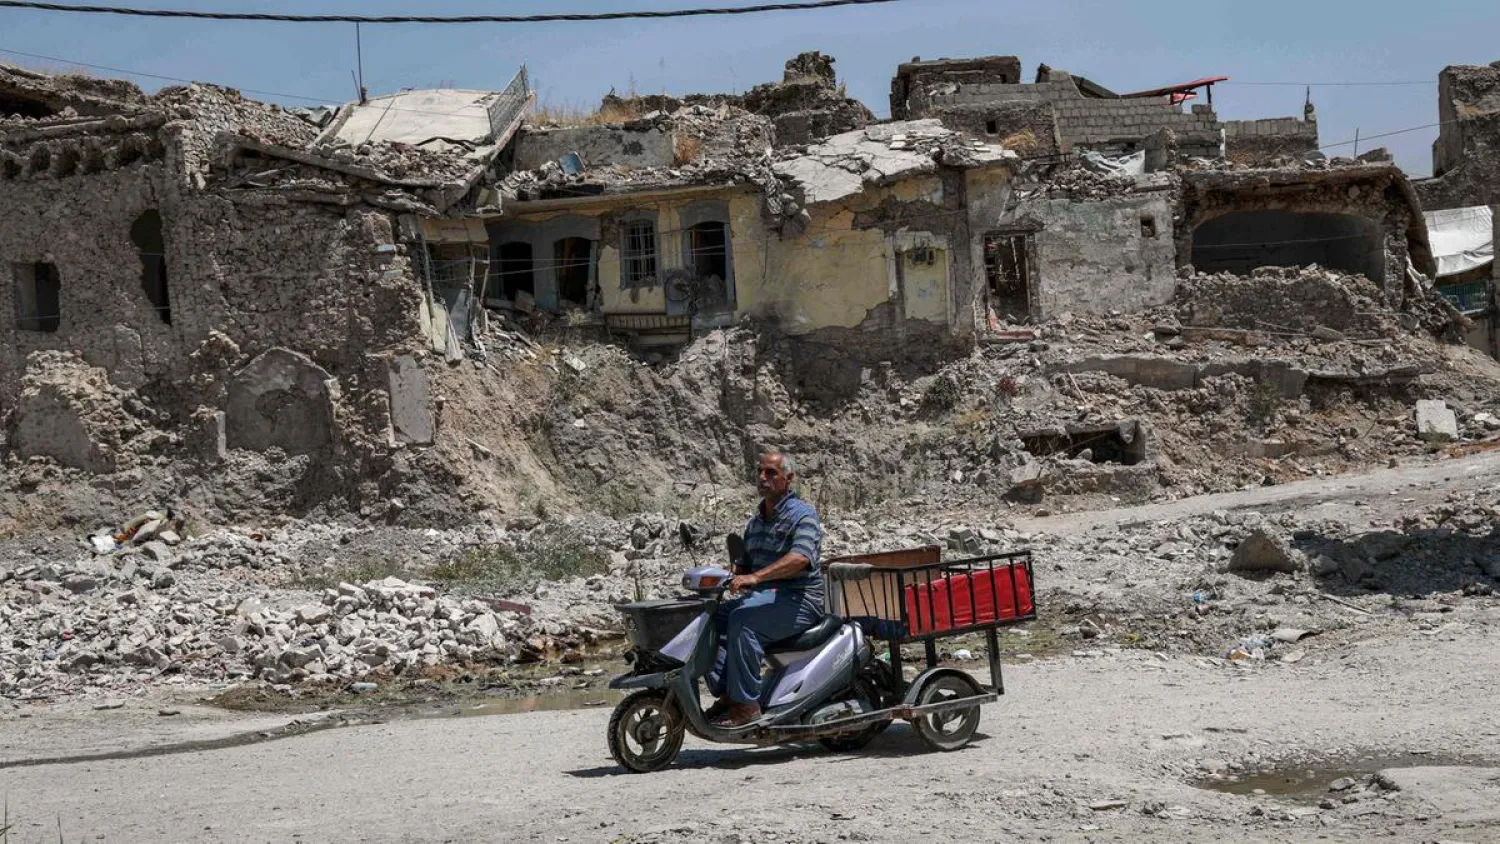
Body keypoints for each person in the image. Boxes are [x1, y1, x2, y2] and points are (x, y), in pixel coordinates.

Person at [706, 450, 824, 728]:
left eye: (771, 473)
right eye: (760, 472)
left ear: (788, 478)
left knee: (743, 622)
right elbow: (744, 565)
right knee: (709, 619)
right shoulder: (756, 521)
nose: (763, 478)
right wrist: (728, 576)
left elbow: (800, 558)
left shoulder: (803, 516)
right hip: (764, 598)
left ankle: (747, 706)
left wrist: (756, 578)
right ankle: (727, 695)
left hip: (799, 600)